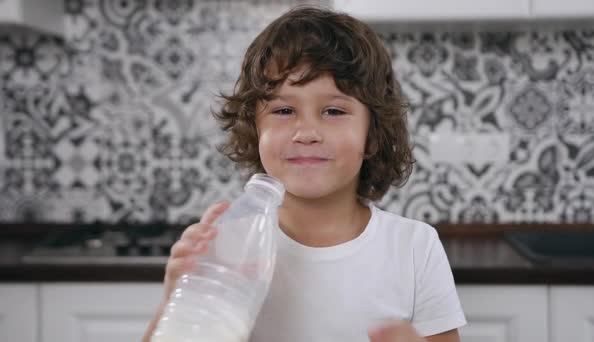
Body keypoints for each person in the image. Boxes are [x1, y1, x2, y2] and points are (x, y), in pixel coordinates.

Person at [143, 5, 466, 342]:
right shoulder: (228, 248)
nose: (306, 132)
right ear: (255, 129)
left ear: (371, 136)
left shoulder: (414, 248)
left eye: (333, 111)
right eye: (284, 110)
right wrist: (175, 301)